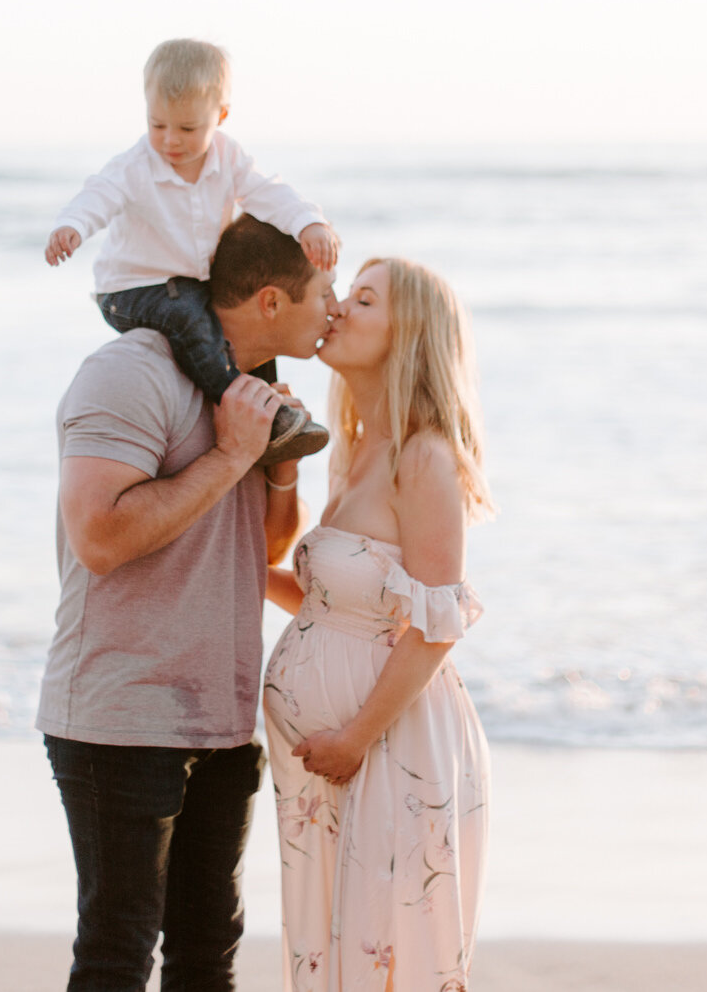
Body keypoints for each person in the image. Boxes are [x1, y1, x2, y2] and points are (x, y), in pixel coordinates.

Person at [39, 214, 337, 992]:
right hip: (123, 713)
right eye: (324, 294)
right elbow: (100, 536)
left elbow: (267, 548)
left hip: (223, 719)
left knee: (208, 957)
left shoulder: (246, 387)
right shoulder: (129, 373)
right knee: (117, 953)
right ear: (271, 300)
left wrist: (275, 457)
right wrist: (234, 451)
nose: (334, 310)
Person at [262, 257, 496, 992]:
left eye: (364, 300)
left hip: (387, 748)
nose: (337, 307)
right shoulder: (358, 449)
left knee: (387, 960)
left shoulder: (424, 456)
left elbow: (436, 625)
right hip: (338, 759)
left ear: (409, 335)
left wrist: (354, 740)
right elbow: (348, 611)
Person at [45, 38, 340, 466]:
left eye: (187, 129)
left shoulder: (228, 156)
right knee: (190, 319)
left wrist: (308, 222)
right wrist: (71, 226)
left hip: (190, 285)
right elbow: (99, 194)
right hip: (134, 290)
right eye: (157, 124)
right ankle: (241, 404)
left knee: (233, 331)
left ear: (220, 116)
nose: (170, 141)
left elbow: (267, 191)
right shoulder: (135, 166)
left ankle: (271, 412)